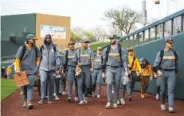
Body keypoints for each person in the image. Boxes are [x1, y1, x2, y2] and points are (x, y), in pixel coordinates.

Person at [153, 37, 178, 113]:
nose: (171, 44)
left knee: (171, 90)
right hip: (162, 73)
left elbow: (176, 63)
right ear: (166, 43)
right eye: (169, 43)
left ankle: (171, 106)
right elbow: (155, 65)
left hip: (172, 73)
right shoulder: (161, 53)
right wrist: (158, 71)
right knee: (163, 90)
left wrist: (175, 72)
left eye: (171, 43)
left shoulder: (175, 53)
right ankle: (162, 103)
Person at [15, 34, 40, 109]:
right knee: (24, 87)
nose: (34, 41)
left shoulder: (36, 48)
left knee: (30, 86)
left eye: (34, 39)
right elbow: (17, 59)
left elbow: (38, 58)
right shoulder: (22, 48)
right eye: (33, 39)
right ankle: (25, 101)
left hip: (32, 71)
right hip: (22, 71)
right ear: (28, 40)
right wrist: (17, 69)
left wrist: (37, 67)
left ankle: (29, 102)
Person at [102, 35, 128, 109]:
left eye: (112, 39)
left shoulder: (121, 49)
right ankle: (109, 101)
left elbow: (124, 61)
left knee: (116, 86)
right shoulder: (107, 49)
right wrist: (103, 72)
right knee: (109, 83)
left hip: (118, 69)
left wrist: (126, 71)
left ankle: (115, 102)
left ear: (116, 39)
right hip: (109, 68)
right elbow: (104, 61)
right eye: (110, 39)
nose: (111, 40)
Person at [38, 34, 59, 104]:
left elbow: (57, 57)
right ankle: (42, 98)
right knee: (43, 81)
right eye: (47, 38)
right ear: (45, 39)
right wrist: (37, 68)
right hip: (43, 68)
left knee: (51, 83)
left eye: (49, 38)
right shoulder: (41, 47)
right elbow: (39, 58)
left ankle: (49, 98)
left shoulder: (54, 47)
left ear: (51, 39)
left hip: (52, 68)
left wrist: (57, 66)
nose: (48, 39)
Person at [76, 38, 94, 105]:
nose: (86, 44)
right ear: (81, 43)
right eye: (85, 42)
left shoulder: (90, 51)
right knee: (80, 85)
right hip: (80, 68)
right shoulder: (78, 51)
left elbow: (92, 60)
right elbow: (74, 61)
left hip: (87, 68)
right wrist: (77, 68)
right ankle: (81, 99)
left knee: (88, 85)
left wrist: (92, 67)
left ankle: (85, 95)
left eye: (87, 42)